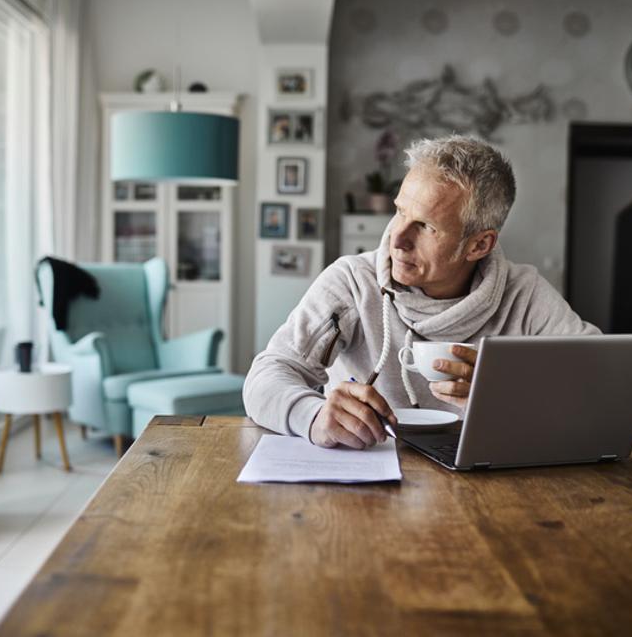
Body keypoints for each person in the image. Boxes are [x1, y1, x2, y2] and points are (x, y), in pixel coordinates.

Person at [243, 135, 598, 450]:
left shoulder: (525, 295)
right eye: (399, 212)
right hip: (367, 482)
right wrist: (313, 415)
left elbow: (598, 386)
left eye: (425, 226)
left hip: (487, 488)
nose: (396, 239)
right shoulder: (353, 281)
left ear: (479, 245)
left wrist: (509, 396)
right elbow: (266, 376)